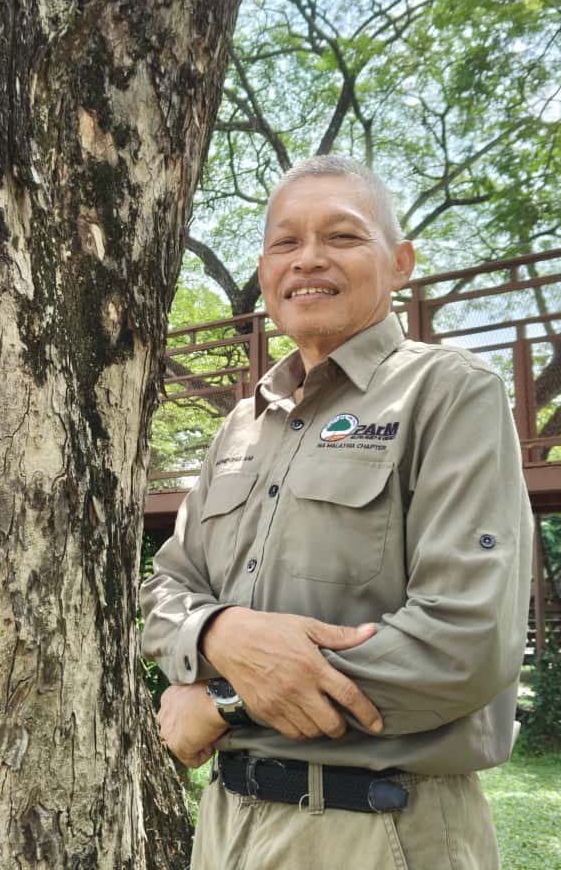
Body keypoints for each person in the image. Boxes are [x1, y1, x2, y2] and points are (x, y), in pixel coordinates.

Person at [140, 155, 533, 870]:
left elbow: (465, 641)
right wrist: (219, 629)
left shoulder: (448, 393)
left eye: (343, 237)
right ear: (264, 270)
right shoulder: (241, 426)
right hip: (225, 828)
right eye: (286, 242)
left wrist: (225, 702)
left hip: (379, 828)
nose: (309, 259)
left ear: (400, 261)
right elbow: (166, 588)